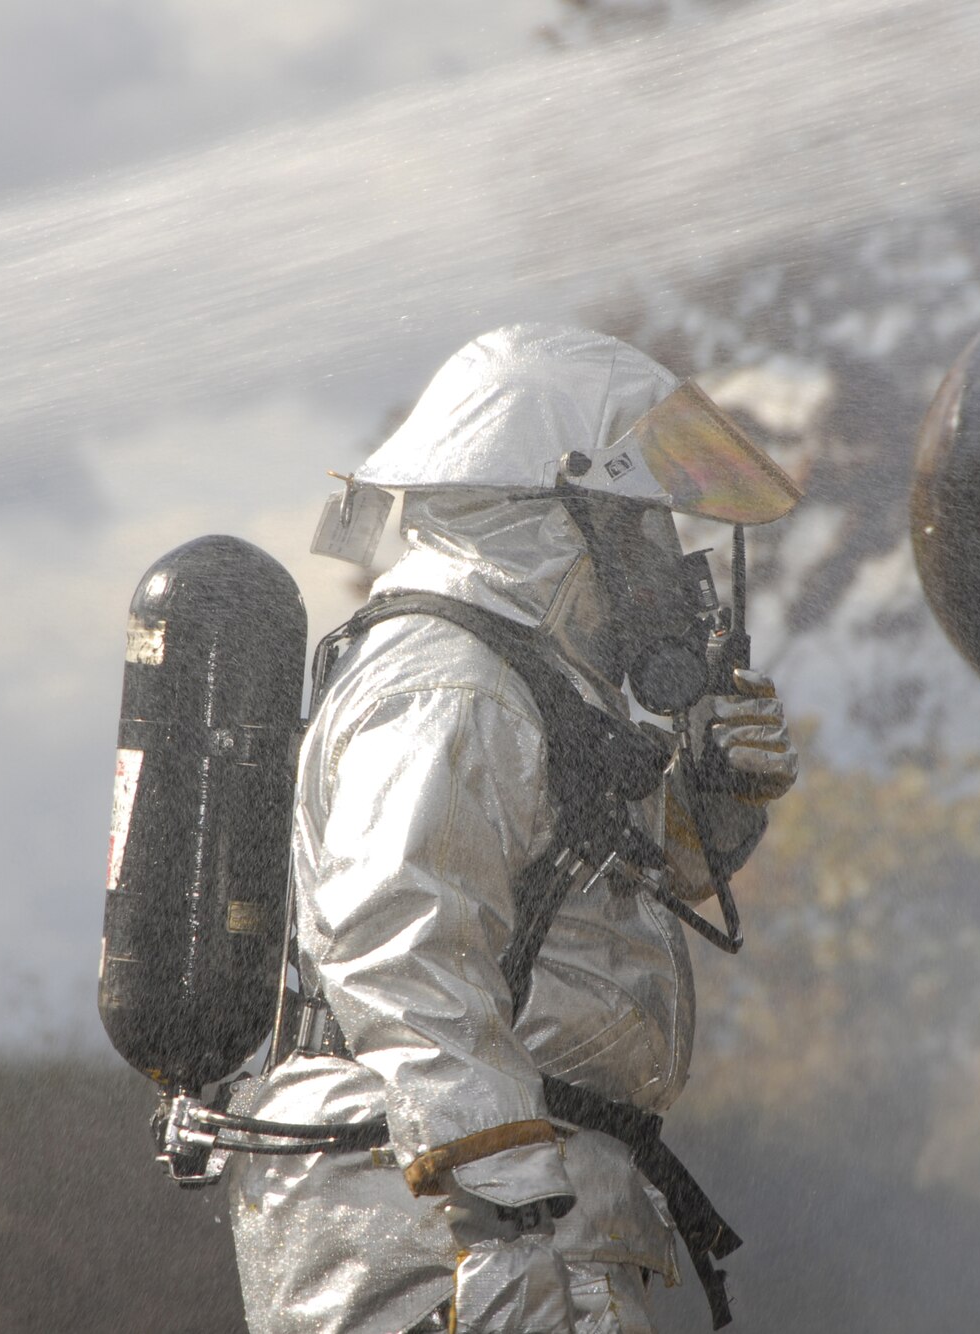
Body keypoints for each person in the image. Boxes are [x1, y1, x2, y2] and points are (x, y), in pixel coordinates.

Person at [227, 324, 801, 1334]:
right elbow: (398, 943)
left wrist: (707, 807)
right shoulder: (450, 680)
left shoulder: (524, 678)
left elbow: (572, 902)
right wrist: (505, 1212)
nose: (667, 560)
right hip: (444, 1227)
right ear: (557, 514)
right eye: (643, 524)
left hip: (522, 1210)